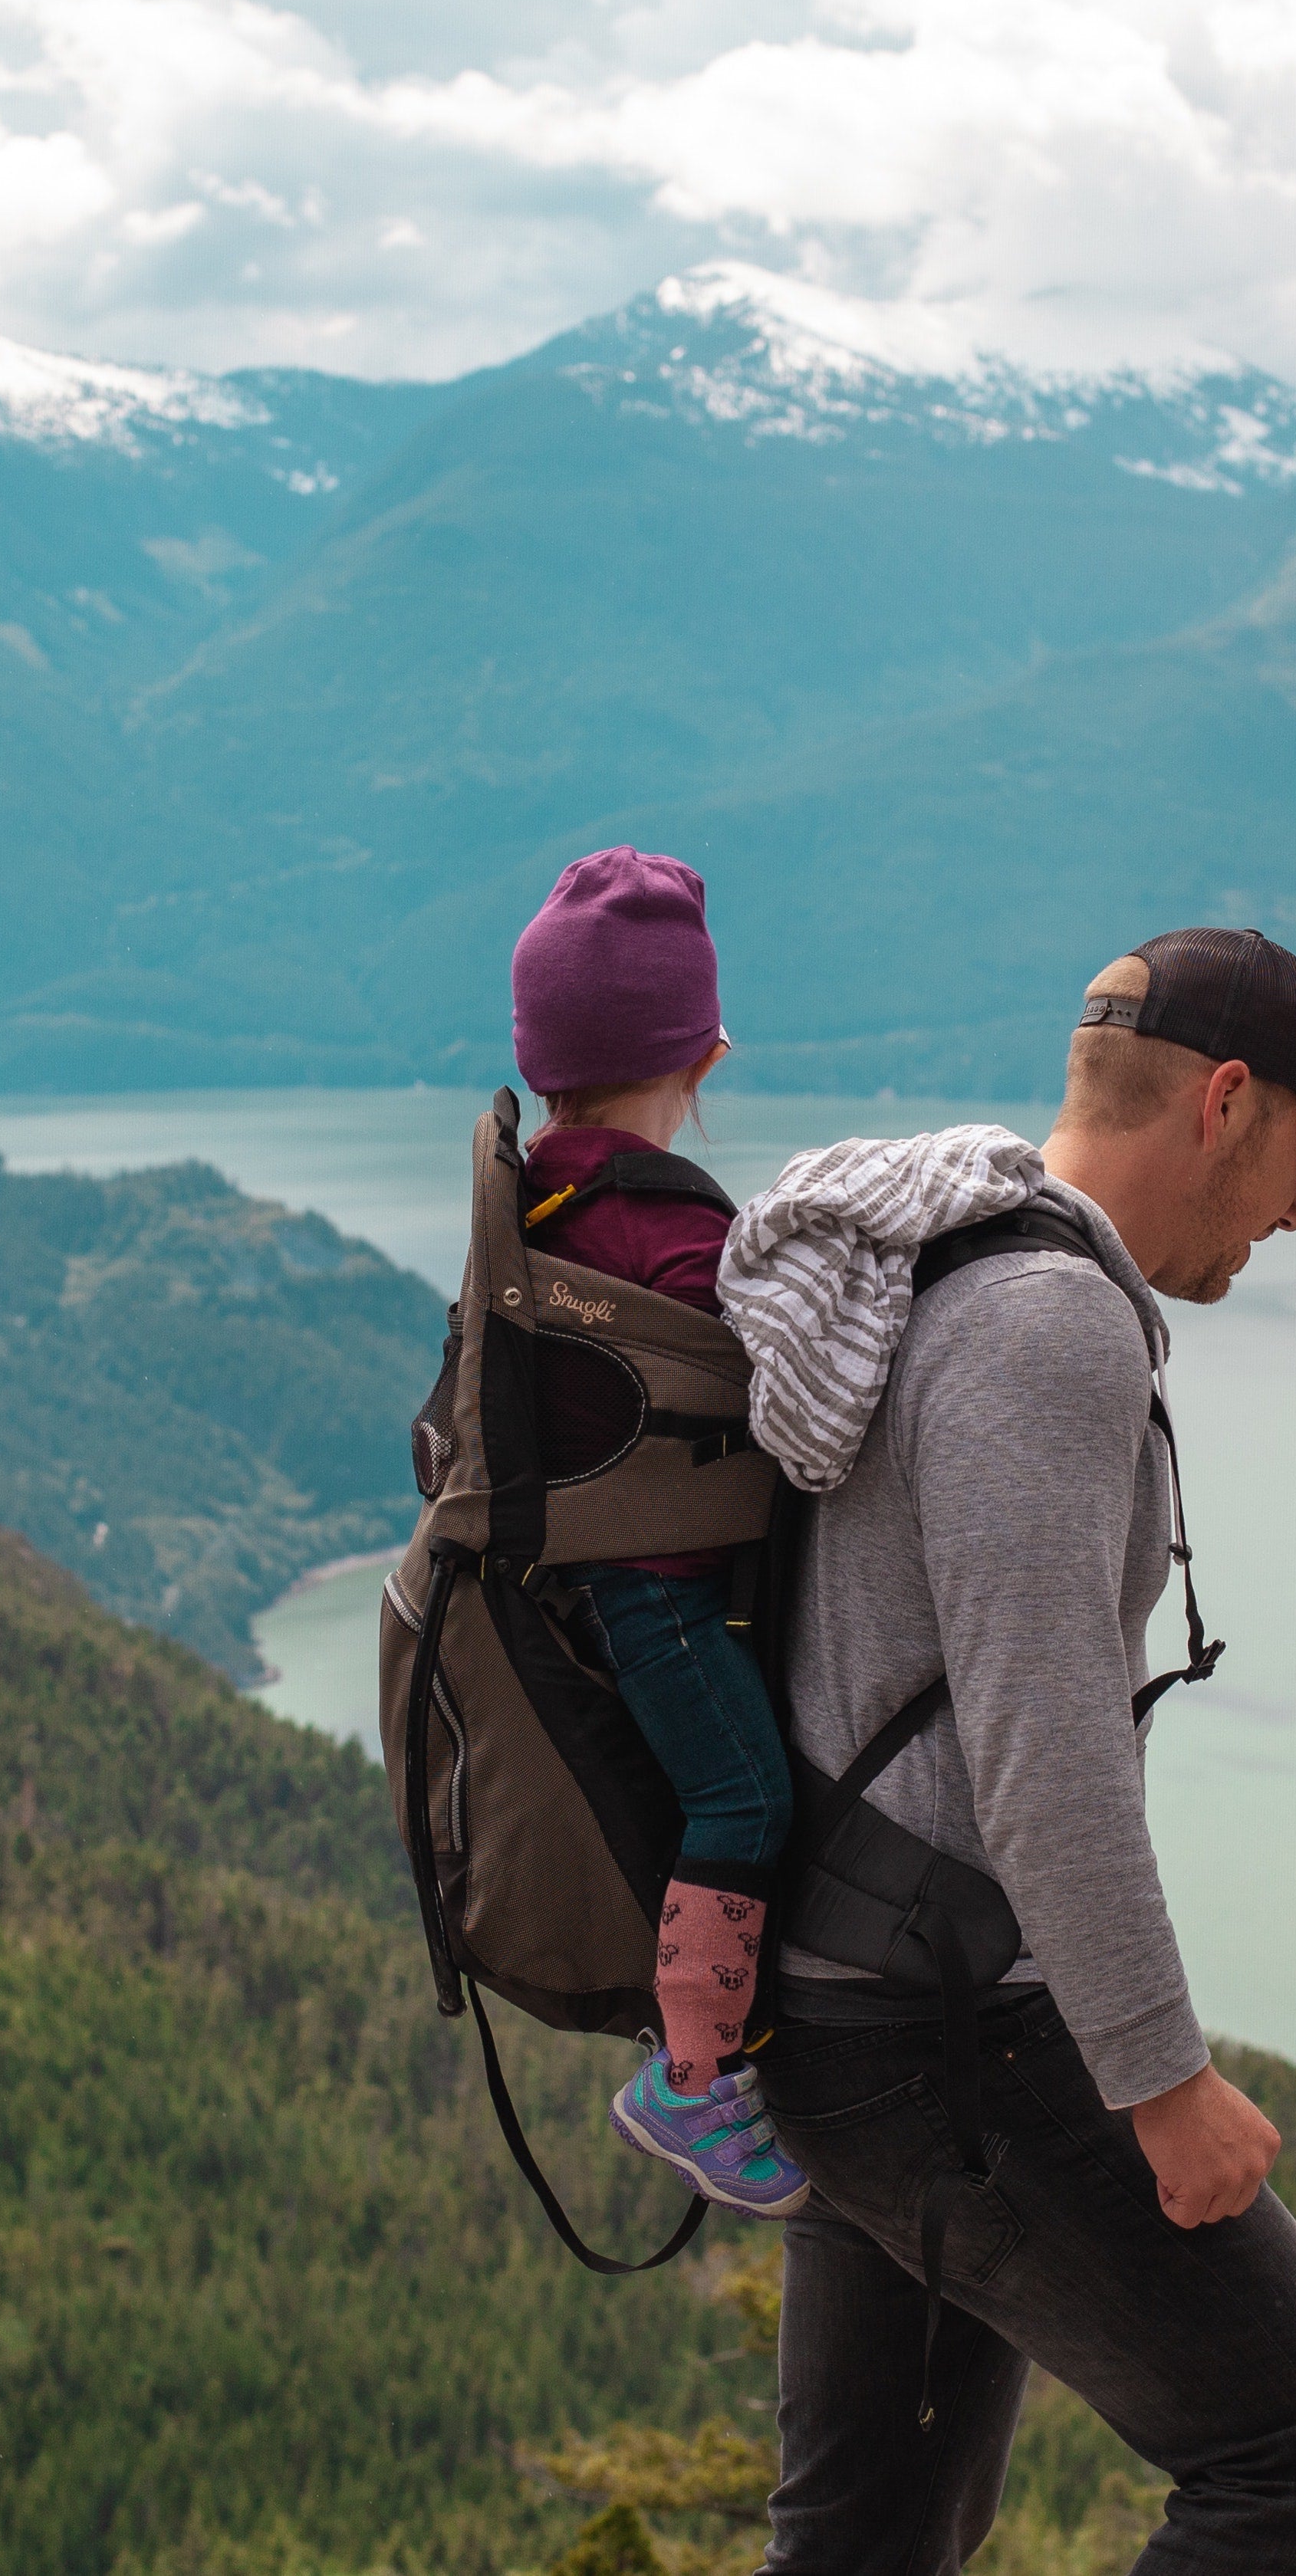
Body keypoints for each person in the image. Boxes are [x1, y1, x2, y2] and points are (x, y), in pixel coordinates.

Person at [723, 927, 1296, 2576]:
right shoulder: (1049, 1322)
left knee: (864, 2541)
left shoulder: (934, 1258)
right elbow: (1045, 1753)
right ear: (1227, 1103)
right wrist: (1160, 2080)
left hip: (837, 2003)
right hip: (948, 2039)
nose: (1295, 1216)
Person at [507, 845, 810, 2222]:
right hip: (665, 1594)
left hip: (587, 1577)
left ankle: (702, 2032)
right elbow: (779, 1382)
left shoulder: (543, 1197)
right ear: (694, 1055)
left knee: (719, 1793)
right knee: (744, 1798)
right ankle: (692, 2075)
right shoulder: (667, 1232)